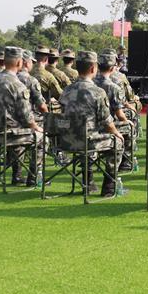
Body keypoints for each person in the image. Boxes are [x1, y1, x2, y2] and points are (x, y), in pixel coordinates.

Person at [57, 51, 126, 196]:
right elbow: (108, 122)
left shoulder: (67, 90)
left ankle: (87, 181)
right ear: (93, 68)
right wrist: (117, 133)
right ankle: (109, 186)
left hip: (65, 140)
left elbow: (62, 115)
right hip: (88, 141)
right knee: (118, 142)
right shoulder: (97, 92)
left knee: (88, 138)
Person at [0, 47, 43, 186]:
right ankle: (34, 177)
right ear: (19, 63)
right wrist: (37, 128)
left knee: (21, 134)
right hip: (9, 134)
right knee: (41, 138)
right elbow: (27, 117)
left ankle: (17, 175)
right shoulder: (18, 85)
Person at [94, 49, 134, 171]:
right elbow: (119, 113)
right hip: (105, 127)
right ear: (112, 68)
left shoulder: (90, 82)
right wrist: (127, 121)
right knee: (129, 126)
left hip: (86, 128)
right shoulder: (113, 87)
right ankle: (125, 163)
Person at [17, 50, 48, 116]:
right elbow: (41, 106)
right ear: (26, 63)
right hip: (27, 120)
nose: (33, 64)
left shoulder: (8, 77)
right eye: (32, 62)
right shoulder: (31, 80)